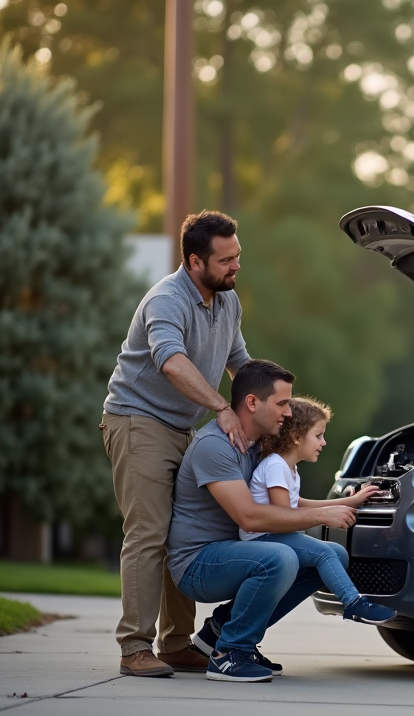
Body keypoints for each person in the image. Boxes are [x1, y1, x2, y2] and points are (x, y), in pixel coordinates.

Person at [101, 211, 250, 677]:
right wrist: (222, 409)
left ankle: (175, 643)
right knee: (148, 532)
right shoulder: (167, 299)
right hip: (137, 420)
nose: (235, 267)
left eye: (237, 257)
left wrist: (276, 404)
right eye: (226, 260)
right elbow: (171, 362)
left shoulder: (227, 302)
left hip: (184, 428)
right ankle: (134, 648)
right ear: (193, 261)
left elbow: (240, 363)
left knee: (183, 533)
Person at [167, 359, 373, 683]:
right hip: (197, 564)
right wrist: (322, 515)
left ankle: (221, 630)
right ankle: (230, 654)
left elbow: (288, 503)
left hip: (234, 552)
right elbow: (249, 518)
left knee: (333, 556)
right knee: (280, 558)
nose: (289, 413)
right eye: (282, 404)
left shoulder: (255, 448)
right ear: (252, 402)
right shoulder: (215, 446)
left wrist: (345, 502)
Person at [237, 396, 397, 630]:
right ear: (296, 437)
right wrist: (325, 516)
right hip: (263, 537)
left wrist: (350, 501)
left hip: (273, 534)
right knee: (323, 552)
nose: (323, 442)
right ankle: (353, 602)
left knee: (335, 551)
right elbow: (283, 515)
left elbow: (297, 503)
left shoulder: (288, 468)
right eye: (318, 435)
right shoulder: (276, 466)